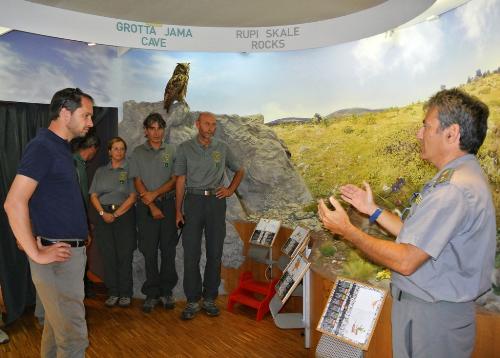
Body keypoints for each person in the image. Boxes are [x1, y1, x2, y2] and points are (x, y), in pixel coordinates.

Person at [318, 88, 496, 358]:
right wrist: (372, 210)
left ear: (452, 133)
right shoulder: (459, 178)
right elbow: (418, 237)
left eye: (427, 126)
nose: (419, 134)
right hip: (432, 315)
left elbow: (406, 260)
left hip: (433, 320)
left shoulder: (453, 189)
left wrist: (348, 231)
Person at [4, 87, 94, 357]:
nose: (90, 122)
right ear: (65, 113)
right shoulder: (43, 147)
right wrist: (34, 250)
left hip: (67, 255)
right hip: (58, 258)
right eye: (86, 115)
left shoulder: (59, 149)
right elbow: (13, 202)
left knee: (56, 333)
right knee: (74, 338)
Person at [175, 112, 244, 320]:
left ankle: (210, 299)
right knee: (191, 253)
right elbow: (180, 180)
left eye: (213, 125)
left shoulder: (222, 148)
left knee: (215, 251)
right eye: (207, 124)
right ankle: (192, 300)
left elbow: (239, 170)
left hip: (216, 202)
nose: (210, 128)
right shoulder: (184, 148)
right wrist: (178, 210)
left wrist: (230, 189)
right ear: (197, 125)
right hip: (193, 201)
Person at [129, 113, 178, 313]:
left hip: (168, 205)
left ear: (163, 130)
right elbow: (136, 180)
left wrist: (156, 194)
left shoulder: (172, 151)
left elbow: (175, 179)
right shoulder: (138, 152)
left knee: (168, 250)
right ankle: (151, 293)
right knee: (148, 251)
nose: (156, 133)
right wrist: (150, 203)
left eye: (160, 128)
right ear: (146, 131)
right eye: (152, 128)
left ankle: (166, 292)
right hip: (145, 207)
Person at [89, 137, 137, 308]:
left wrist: (115, 214)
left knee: (124, 256)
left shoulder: (129, 170)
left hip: (123, 216)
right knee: (108, 256)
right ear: (109, 152)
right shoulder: (100, 172)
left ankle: (125, 293)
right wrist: (103, 213)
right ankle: (113, 292)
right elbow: (93, 195)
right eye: (115, 149)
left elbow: (132, 197)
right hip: (103, 216)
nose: (119, 152)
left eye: (122, 149)